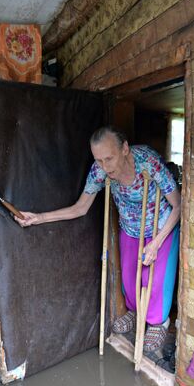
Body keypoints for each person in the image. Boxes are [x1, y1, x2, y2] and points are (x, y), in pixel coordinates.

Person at [16, 126, 181, 352]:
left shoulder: (148, 162)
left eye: (109, 158)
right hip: (130, 227)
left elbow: (178, 205)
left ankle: (158, 322)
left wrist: (157, 241)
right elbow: (80, 208)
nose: (105, 166)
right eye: (99, 160)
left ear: (124, 149)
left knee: (158, 279)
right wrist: (39, 218)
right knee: (130, 279)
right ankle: (135, 311)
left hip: (161, 224)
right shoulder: (99, 171)